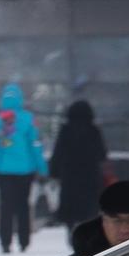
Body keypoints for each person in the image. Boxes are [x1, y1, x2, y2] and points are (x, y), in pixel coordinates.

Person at [0, 82, 49, 253]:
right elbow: (35, 145)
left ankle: (5, 241)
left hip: (3, 169)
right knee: (23, 204)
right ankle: (24, 241)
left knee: (6, 205)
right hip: (25, 169)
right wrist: (42, 168)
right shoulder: (28, 119)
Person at [50, 100, 110, 236]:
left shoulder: (65, 130)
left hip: (69, 175)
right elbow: (102, 153)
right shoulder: (94, 130)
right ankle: (87, 231)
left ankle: (71, 229)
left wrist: (54, 172)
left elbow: (58, 152)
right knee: (89, 206)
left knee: (70, 206)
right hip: (90, 175)